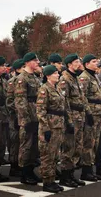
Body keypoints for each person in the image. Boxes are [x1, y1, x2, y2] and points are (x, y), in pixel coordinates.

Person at [37, 65, 66, 193]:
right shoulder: (44, 89)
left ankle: (52, 180)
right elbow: (40, 111)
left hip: (58, 125)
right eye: (55, 73)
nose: (58, 75)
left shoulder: (57, 88)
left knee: (55, 155)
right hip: (49, 126)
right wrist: (45, 128)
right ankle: (47, 181)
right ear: (48, 75)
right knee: (47, 155)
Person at [58, 54, 86, 187]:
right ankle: (65, 176)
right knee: (68, 148)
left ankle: (71, 174)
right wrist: (68, 121)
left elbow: (82, 98)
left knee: (77, 147)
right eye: (76, 62)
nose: (79, 63)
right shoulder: (65, 80)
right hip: (71, 118)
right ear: (69, 64)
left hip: (79, 117)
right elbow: (63, 102)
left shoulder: (76, 79)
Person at [14, 52, 42, 185]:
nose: (37, 63)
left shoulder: (35, 78)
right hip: (28, 118)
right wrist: (26, 120)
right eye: (35, 61)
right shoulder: (22, 78)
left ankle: (31, 171)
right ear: (28, 62)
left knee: (35, 147)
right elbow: (20, 101)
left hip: (36, 116)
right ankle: (24, 173)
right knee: (26, 146)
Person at [79, 54, 101, 181]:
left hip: (98, 114)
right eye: (94, 61)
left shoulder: (94, 76)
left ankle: (91, 168)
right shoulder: (84, 78)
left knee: (95, 142)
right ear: (86, 64)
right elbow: (82, 98)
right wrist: (88, 114)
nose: (97, 63)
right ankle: (86, 170)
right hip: (91, 115)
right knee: (88, 143)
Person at [6, 59, 25, 177]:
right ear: (18, 69)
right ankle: (14, 166)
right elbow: (10, 101)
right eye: (22, 67)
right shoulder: (12, 82)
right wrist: (17, 112)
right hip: (15, 117)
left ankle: (21, 164)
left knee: (23, 142)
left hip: (23, 117)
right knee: (15, 142)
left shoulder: (25, 80)